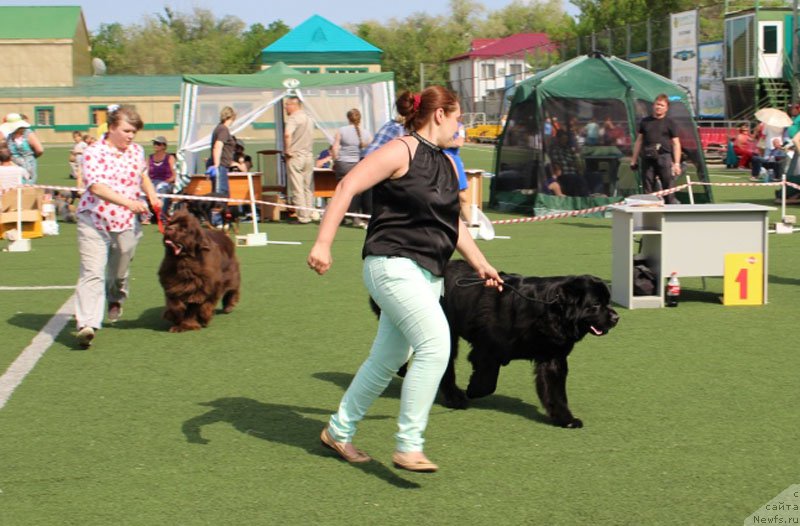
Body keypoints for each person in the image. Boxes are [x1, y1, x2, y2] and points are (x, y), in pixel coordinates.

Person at [307, 86, 503, 473]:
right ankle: (409, 445)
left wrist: (481, 263)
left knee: (390, 357)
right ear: (439, 115)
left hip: (429, 273)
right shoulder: (401, 150)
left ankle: (338, 431)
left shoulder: (448, 164)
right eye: (459, 117)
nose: (461, 125)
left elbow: (451, 225)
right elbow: (346, 186)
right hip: (391, 264)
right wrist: (323, 243)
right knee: (435, 345)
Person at [73, 105, 161, 348]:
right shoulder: (93, 152)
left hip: (125, 224)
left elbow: (143, 176)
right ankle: (87, 324)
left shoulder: (136, 151)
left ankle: (116, 297)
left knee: (120, 269)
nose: (131, 136)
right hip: (94, 220)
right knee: (92, 271)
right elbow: (96, 187)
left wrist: (152, 195)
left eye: (134, 132)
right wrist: (130, 203)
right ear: (111, 128)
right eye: (127, 131)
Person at [630, 94, 682, 204]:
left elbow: (676, 144)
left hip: (664, 158)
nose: (658, 107)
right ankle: (649, 216)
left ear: (666, 108)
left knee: (668, 188)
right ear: (653, 106)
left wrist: (677, 163)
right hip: (648, 158)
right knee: (648, 189)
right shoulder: (645, 122)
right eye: (657, 104)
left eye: (661, 105)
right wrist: (633, 160)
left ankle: (670, 214)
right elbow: (639, 141)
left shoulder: (670, 123)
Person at [331, 108, 373, 228]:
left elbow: (335, 148)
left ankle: (343, 216)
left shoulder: (342, 130)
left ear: (348, 118)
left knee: (341, 192)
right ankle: (357, 217)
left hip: (343, 164)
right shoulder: (366, 132)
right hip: (357, 165)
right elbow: (371, 147)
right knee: (356, 192)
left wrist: (335, 160)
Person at [283, 96, 315, 224]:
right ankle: (310, 212)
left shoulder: (293, 118)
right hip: (308, 155)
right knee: (308, 187)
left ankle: (303, 216)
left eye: (287, 105)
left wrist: (287, 150)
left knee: (298, 187)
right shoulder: (309, 117)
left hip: (296, 155)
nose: (285, 107)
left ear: (293, 105)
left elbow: (287, 134)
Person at [1, 113, 44, 184]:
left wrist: (31, 157)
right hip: (14, 167)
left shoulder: (28, 134)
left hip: (27, 166)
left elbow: (39, 150)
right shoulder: (10, 135)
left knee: (26, 186)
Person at [443, 120, 472, 223]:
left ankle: (471, 224)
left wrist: (445, 142)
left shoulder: (460, 126)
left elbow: (460, 142)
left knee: (463, 196)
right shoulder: (440, 123)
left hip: (454, 160)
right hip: (439, 158)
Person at [208, 106, 236, 197]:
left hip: (223, 166)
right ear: (231, 117)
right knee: (220, 194)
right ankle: (217, 211)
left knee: (223, 193)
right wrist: (216, 165)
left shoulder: (219, 128)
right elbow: (218, 146)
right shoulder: (223, 129)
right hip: (220, 166)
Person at [148, 136, 176, 220]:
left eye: (158, 144)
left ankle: (161, 215)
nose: (155, 145)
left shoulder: (170, 158)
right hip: (153, 182)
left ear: (164, 146)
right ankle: (145, 215)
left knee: (161, 188)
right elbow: (145, 174)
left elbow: (174, 175)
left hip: (167, 182)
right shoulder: (150, 158)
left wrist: (166, 181)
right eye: (154, 143)